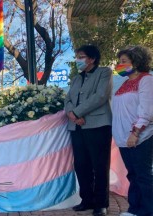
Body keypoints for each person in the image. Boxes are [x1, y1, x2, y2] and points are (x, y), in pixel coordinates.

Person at [64, 45, 112, 216]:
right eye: (77, 57)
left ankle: (101, 203)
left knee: (99, 165)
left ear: (92, 59)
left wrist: (77, 112)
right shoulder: (76, 78)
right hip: (76, 126)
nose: (78, 60)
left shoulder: (104, 72)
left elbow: (100, 96)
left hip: (98, 125)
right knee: (81, 165)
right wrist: (71, 114)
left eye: (81, 57)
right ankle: (87, 200)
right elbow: (68, 99)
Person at [112, 46, 153, 216]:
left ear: (135, 62)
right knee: (133, 175)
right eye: (119, 62)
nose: (119, 65)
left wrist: (135, 132)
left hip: (139, 136)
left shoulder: (146, 80)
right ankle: (135, 209)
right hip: (123, 138)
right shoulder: (124, 83)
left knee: (143, 176)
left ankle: (148, 211)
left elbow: (147, 110)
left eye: (124, 62)